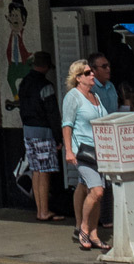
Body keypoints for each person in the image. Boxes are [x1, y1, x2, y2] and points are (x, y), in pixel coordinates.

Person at [60, 59, 108, 253]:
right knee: (97, 191)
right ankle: (84, 228)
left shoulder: (95, 96)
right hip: (84, 153)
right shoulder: (74, 96)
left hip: (100, 152)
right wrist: (69, 150)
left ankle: (94, 234)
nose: (92, 75)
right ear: (78, 77)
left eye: (92, 72)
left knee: (93, 193)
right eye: (88, 73)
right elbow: (67, 124)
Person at [16, 51, 64, 223]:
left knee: (36, 170)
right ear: (45, 66)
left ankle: (39, 209)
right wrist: (59, 138)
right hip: (43, 131)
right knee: (44, 171)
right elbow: (53, 114)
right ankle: (44, 211)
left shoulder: (23, 84)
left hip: (28, 130)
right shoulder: (46, 86)